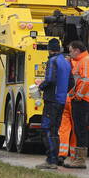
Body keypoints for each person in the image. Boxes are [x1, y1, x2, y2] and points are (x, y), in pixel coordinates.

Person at [35, 38, 71, 169]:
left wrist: (40, 87)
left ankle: (51, 160)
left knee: (47, 129)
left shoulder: (52, 61)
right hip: (61, 100)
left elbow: (49, 79)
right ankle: (54, 159)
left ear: (49, 49)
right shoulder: (66, 62)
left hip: (51, 100)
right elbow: (71, 82)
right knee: (55, 131)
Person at [63, 40, 89, 169]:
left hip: (82, 101)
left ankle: (80, 160)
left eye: (71, 51)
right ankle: (77, 158)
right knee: (78, 130)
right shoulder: (82, 61)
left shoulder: (86, 61)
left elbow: (86, 81)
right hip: (81, 100)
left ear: (77, 50)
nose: (70, 53)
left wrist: (78, 96)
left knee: (80, 131)